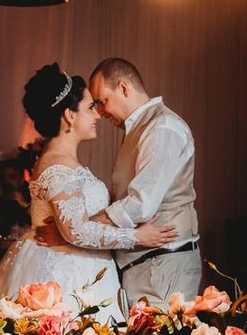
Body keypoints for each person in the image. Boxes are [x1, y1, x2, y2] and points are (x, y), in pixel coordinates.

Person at [0, 63, 176, 322]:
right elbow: (76, 231)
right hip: (66, 273)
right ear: (69, 115)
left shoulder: (63, 162)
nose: (98, 115)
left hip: (85, 268)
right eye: (91, 107)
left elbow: (74, 226)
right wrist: (137, 237)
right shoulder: (57, 167)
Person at [38, 58, 201, 308]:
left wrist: (74, 230)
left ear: (124, 88)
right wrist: (74, 231)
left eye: (102, 102)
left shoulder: (162, 127)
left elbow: (141, 204)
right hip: (142, 265)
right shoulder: (138, 129)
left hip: (163, 263)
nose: (100, 113)